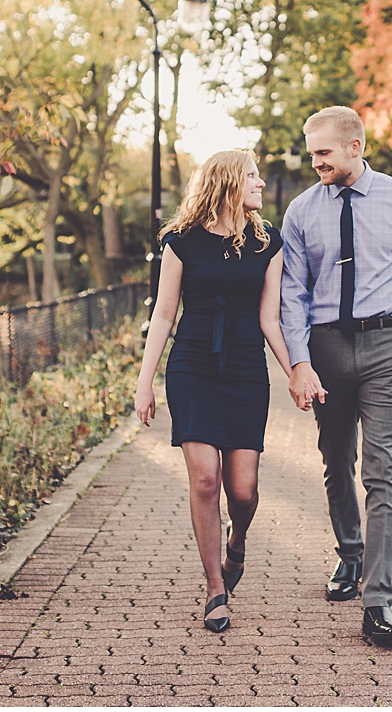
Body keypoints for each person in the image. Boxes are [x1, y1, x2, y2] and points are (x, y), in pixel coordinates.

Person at [279, 105, 392, 652]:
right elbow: (293, 294)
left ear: (355, 146)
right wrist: (300, 361)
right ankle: (349, 554)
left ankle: (378, 602)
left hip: (389, 347)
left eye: (323, 153)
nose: (316, 163)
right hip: (326, 348)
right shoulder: (302, 211)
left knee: (382, 469)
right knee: (335, 458)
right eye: (311, 154)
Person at [135, 149, 294, 636]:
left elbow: (271, 317)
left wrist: (295, 371)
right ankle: (214, 588)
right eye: (251, 177)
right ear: (227, 183)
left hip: (245, 368)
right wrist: (145, 382)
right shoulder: (180, 243)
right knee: (205, 480)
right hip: (194, 366)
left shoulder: (269, 243)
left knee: (242, 490)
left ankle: (237, 540)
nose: (261, 184)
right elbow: (163, 315)